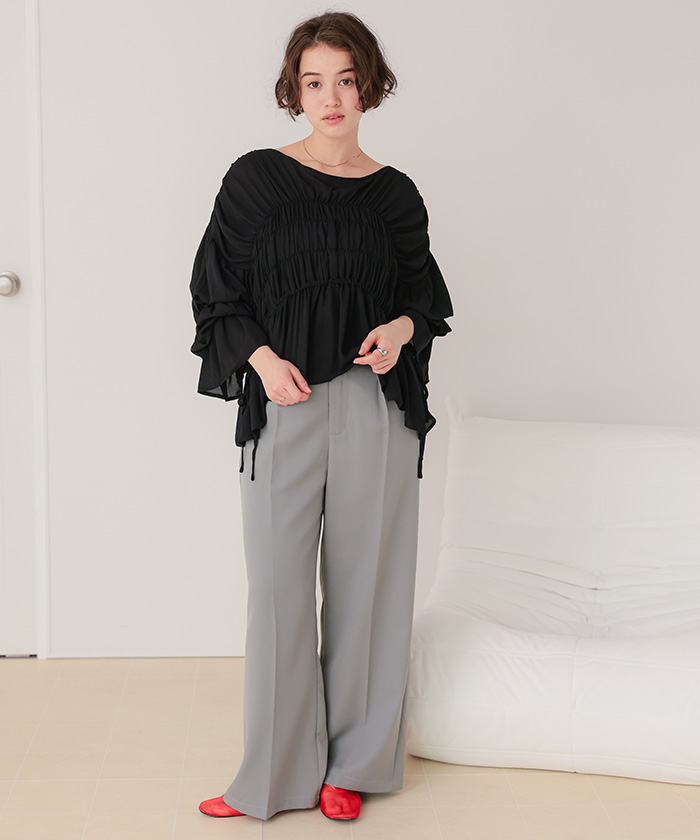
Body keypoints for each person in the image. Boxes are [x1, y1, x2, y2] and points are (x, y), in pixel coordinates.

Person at [189, 10, 453, 823]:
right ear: (294, 91)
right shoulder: (256, 181)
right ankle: (272, 776)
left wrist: (397, 332)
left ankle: (355, 766)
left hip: (376, 407)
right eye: (313, 82)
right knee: (275, 591)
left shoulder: (395, 195)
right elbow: (215, 290)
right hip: (286, 401)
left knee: (368, 587)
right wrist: (263, 361)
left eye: (345, 80)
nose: (330, 98)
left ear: (369, 85)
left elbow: (423, 302)